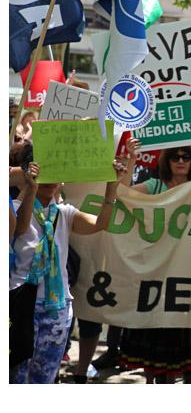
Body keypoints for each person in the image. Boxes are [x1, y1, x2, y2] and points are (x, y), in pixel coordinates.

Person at [10, 144, 128, 384]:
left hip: (57, 309)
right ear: (28, 172)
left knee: (45, 378)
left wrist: (112, 186)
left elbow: (100, 224)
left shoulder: (65, 213)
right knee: (16, 376)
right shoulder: (12, 211)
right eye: (45, 172)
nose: (51, 180)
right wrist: (31, 189)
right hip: (22, 306)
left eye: (56, 172)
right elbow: (20, 229)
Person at [117, 145, 191, 383]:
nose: (180, 161)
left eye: (186, 156)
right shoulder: (153, 186)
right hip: (154, 270)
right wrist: (132, 161)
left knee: (179, 335)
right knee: (151, 329)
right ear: (166, 161)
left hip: (185, 274)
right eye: (175, 157)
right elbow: (122, 193)